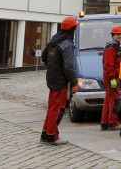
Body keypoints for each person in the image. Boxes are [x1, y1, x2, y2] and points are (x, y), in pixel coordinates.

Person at [40, 15, 79, 145]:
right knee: (57, 109)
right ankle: (52, 136)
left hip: (51, 78)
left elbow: (44, 56)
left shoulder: (54, 40)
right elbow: (68, 67)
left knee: (52, 107)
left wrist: (51, 68)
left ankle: (45, 134)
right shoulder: (67, 44)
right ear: (72, 29)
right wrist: (74, 82)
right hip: (60, 81)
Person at [100, 25, 121, 131]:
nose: (119, 36)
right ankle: (113, 122)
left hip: (111, 77)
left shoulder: (115, 46)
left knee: (108, 101)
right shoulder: (111, 48)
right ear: (113, 35)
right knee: (115, 100)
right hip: (112, 78)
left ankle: (104, 122)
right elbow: (109, 65)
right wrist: (112, 78)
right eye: (117, 34)